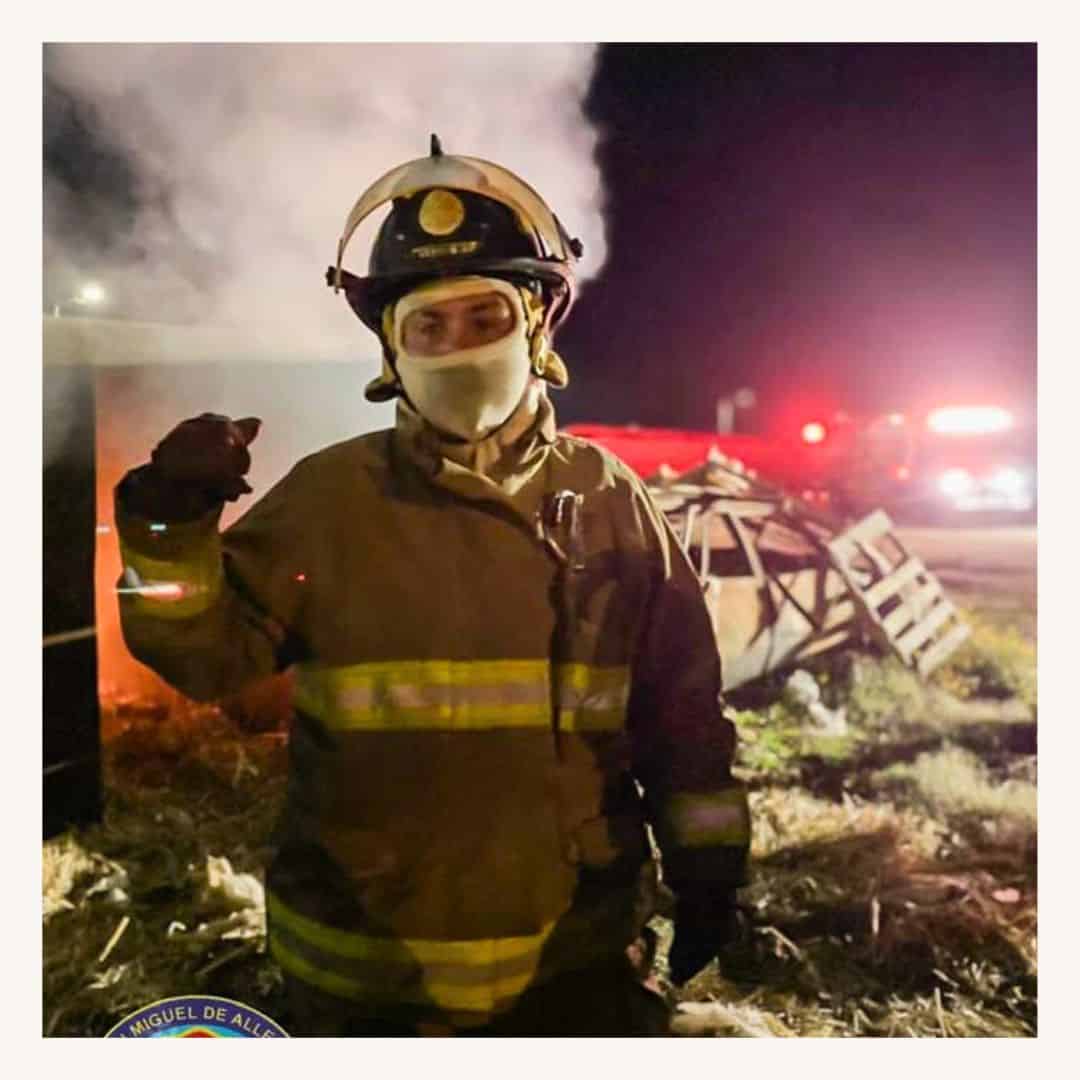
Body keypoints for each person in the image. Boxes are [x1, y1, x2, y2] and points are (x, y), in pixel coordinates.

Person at [113, 137, 750, 1036]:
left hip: (573, 967)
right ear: (389, 348)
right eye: (429, 326)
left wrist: (709, 862)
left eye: (484, 317)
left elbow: (681, 714)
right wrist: (170, 523)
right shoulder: (329, 500)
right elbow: (203, 652)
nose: (459, 348)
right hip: (365, 984)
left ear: (536, 324)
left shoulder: (610, 500)